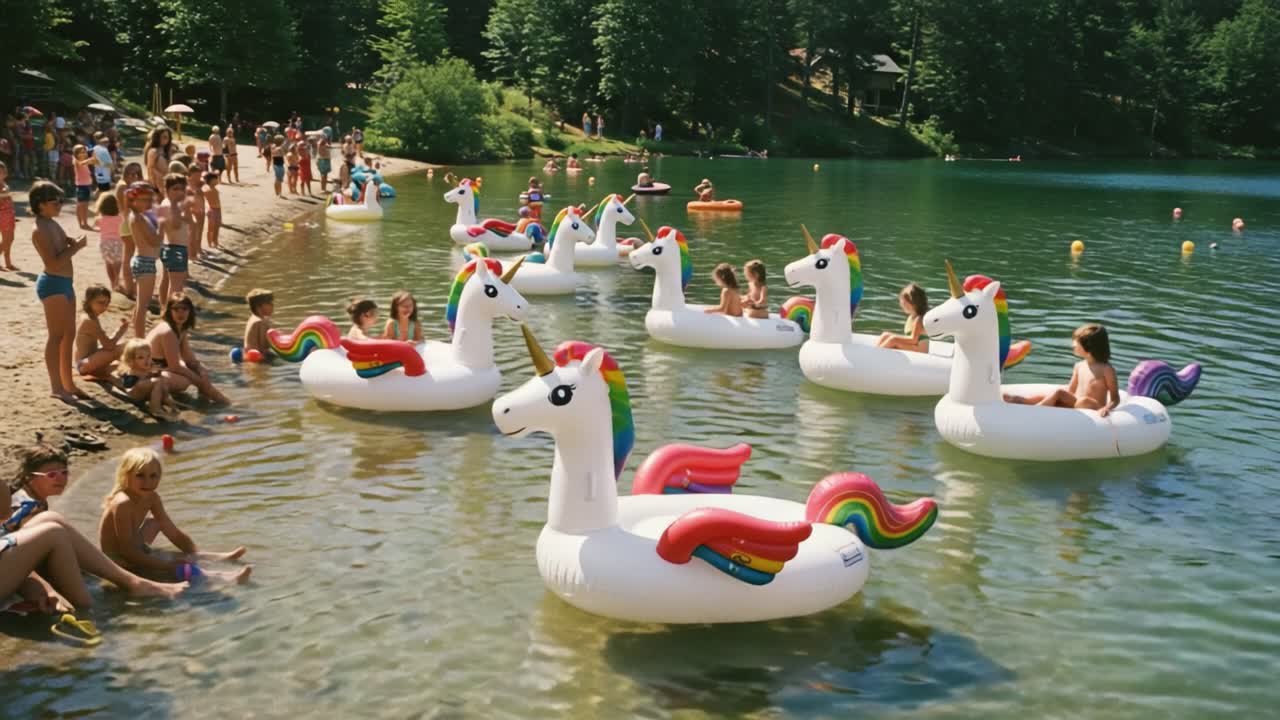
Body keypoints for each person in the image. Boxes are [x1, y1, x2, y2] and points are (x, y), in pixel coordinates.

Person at [1, 444, 189, 613]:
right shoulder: (27, 507)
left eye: (64, 473)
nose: (60, 479)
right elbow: (28, 555)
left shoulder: (25, 498)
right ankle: (95, 605)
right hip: (17, 569)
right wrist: (46, 589)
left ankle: (127, 583)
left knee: (53, 521)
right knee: (54, 531)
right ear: (30, 476)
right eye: (52, 475)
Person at [99, 447, 250, 584]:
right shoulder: (122, 503)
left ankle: (209, 557)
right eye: (140, 475)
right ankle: (221, 577)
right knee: (172, 566)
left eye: (153, 476)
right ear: (126, 475)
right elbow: (127, 552)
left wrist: (194, 553)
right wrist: (166, 566)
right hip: (118, 559)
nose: (148, 482)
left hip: (133, 545)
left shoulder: (152, 497)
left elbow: (173, 532)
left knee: (156, 522)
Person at [30, 181, 89, 402]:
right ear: (41, 204)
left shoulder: (52, 223)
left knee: (69, 335)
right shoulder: (39, 229)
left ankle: (68, 384)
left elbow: (61, 247)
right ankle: (56, 387)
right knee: (56, 336)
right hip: (53, 283)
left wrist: (70, 243)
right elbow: (53, 264)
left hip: (65, 284)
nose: (60, 205)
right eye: (56, 201)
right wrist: (76, 247)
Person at [1004, 324, 1119, 416]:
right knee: (1054, 395)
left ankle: (1034, 412)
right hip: (1076, 404)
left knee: (1081, 400)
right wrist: (1056, 399)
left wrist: (1106, 408)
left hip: (1092, 407)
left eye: (1076, 342)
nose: (1072, 344)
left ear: (1089, 346)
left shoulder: (1106, 370)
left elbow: (1115, 398)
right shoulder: (1079, 366)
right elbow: (1071, 391)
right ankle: (1022, 401)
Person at [146, 292, 230, 404]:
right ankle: (223, 402)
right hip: (148, 371)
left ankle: (207, 403)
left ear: (190, 311)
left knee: (201, 372)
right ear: (169, 311)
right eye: (176, 309)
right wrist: (199, 381)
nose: (181, 313)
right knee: (186, 381)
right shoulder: (168, 331)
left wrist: (200, 370)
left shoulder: (181, 328)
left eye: (184, 309)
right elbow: (175, 367)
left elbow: (188, 357)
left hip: (163, 367)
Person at [127, 182, 161, 337]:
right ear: (134, 200)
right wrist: (164, 228)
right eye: (144, 199)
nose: (148, 202)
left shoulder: (139, 216)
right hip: (144, 262)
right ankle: (140, 340)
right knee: (143, 306)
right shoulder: (138, 218)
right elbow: (154, 241)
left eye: (149, 199)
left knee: (140, 304)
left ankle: (138, 337)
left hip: (144, 260)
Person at [115, 339, 179, 419]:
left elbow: (151, 377)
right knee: (157, 382)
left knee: (163, 383)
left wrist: (157, 372)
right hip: (134, 393)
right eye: (141, 357)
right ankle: (155, 409)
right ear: (131, 360)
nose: (147, 360)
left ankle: (172, 405)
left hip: (143, 391)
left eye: (148, 356)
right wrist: (151, 373)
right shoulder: (134, 369)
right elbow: (133, 382)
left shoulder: (144, 366)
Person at [75, 284, 128, 380]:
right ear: (89, 301)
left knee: (122, 344)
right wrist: (120, 330)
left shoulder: (90, 316)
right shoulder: (89, 321)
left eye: (107, 303)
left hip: (85, 360)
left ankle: (106, 369)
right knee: (120, 348)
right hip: (84, 365)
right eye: (100, 303)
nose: (104, 307)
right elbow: (109, 346)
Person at [157, 173, 192, 301]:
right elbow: (176, 225)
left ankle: (163, 307)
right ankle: (171, 313)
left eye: (182, 189)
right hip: (175, 248)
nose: (179, 192)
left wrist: (185, 208)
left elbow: (189, 221)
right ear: (166, 190)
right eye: (175, 189)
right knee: (177, 286)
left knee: (166, 279)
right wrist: (177, 207)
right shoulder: (170, 205)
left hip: (169, 247)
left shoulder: (167, 203)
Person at [876, 283, 930, 352]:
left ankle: (876, 354)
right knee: (885, 335)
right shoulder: (911, 317)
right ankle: (876, 352)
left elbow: (913, 340)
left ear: (913, 304)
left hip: (921, 351)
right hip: (915, 347)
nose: (901, 306)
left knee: (893, 340)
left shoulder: (919, 319)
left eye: (904, 303)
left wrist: (895, 338)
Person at [185, 165, 206, 262]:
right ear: (190, 174)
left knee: (200, 230)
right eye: (196, 175)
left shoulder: (200, 183)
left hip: (201, 209)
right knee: (192, 232)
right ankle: (191, 253)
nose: (199, 176)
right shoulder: (187, 185)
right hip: (193, 211)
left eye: (200, 174)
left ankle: (199, 248)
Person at [243, 288, 274, 354]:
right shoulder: (259, 322)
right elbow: (264, 347)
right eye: (268, 303)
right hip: (257, 360)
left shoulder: (253, 318)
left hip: (251, 356)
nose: (272, 305)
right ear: (258, 307)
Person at [72, 144, 95, 230]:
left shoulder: (84, 162)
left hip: (86, 186)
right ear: (76, 154)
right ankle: (82, 223)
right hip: (81, 186)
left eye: (84, 152)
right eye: (81, 152)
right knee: (81, 205)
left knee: (85, 206)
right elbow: (82, 163)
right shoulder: (76, 161)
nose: (84, 154)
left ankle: (84, 223)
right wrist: (92, 158)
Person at [0, 161, 15, 270]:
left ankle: (8, 262)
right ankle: (7, 262)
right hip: (2, 216)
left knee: (10, 238)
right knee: (7, 239)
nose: (3, 173)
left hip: (9, 215)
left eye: (3, 171)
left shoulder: (4, 184)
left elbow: (9, 199)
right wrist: (5, 193)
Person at [204, 172, 223, 250]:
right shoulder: (208, 190)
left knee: (217, 227)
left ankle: (215, 241)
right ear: (211, 181)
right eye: (216, 179)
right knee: (211, 228)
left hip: (218, 210)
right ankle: (210, 242)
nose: (218, 180)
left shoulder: (214, 189)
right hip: (212, 210)